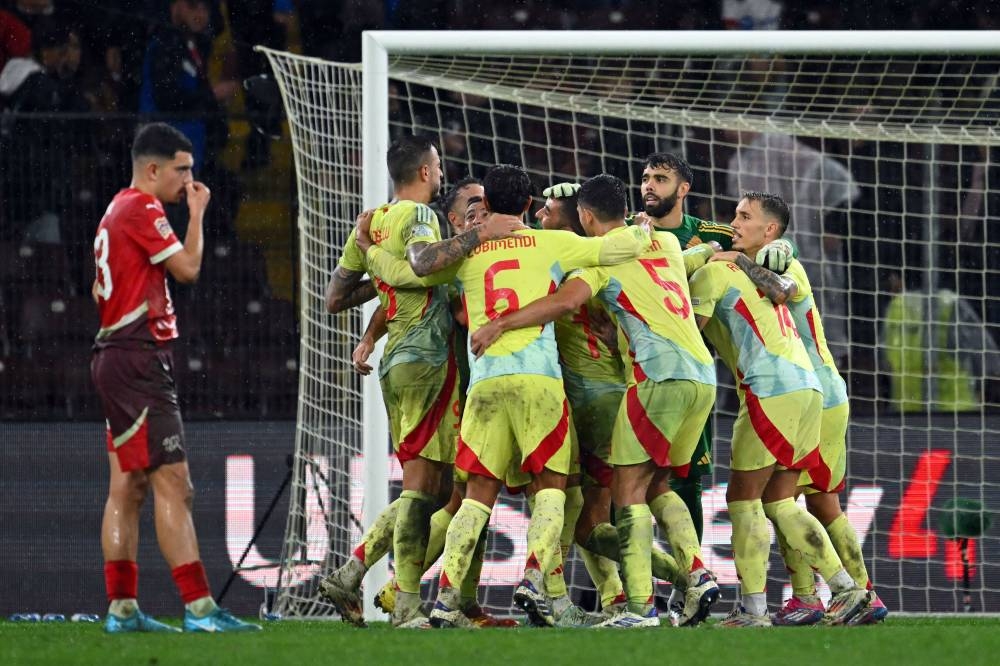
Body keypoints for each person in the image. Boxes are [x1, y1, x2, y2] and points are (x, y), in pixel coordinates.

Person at [471, 174, 721, 629]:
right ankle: (692, 574)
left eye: (549, 214)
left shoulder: (587, 263)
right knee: (655, 486)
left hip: (630, 386)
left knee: (600, 497)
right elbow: (702, 252)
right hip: (702, 373)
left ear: (583, 219)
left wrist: (500, 323)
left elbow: (564, 303)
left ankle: (628, 603)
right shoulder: (662, 242)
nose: (542, 219)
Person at [423, 165, 652, 628]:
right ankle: (534, 576)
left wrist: (474, 236)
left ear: (487, 205)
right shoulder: (551, 242)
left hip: (485, 382)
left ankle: (445, 598)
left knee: (477, 495)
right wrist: (643, 229)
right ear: (529, 205)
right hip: (539, 381)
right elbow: (617, 247)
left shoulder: (471, 251)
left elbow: (421, 263)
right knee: (551, 486)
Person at [320, 137, 521, 628]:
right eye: (473, 206)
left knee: (445, 488)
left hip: (405, 361)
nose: (481, 213)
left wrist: (373, 264)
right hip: (433, 361)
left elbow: (338, 295)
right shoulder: (426, 223)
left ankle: (374, 581)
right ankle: (405, 599)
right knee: (440, 490)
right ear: (429, 173)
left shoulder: (375, 219)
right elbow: (422, 272)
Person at [90, 122, 259, 633]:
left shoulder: (114, 208)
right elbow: (187, 268)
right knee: (175, 484)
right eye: (183, 170)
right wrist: (199, 216)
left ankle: (122, 608)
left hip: (115, 354)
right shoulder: (142, 207)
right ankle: (200, 608)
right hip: (138, 357)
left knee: (127, 485)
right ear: (154, 169)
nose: (189, 180)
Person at [689, 191, 870, 627]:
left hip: (773, 388)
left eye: (743, 216)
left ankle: (772, 605)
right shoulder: (767, 269)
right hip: (809, 387)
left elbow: (687, 336)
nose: (734, 222)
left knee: (745, 499)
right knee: (783, 500)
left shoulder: (723, 274)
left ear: (770, 230)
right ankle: (838, 594)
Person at [726, 131, 859, 364]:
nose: (726, 131)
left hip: (805, 250)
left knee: (813, 314)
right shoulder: (738, 160)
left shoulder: (776, 144)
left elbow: (830, 175)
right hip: (763, 254)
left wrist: (831, 225)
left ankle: (823, 367)